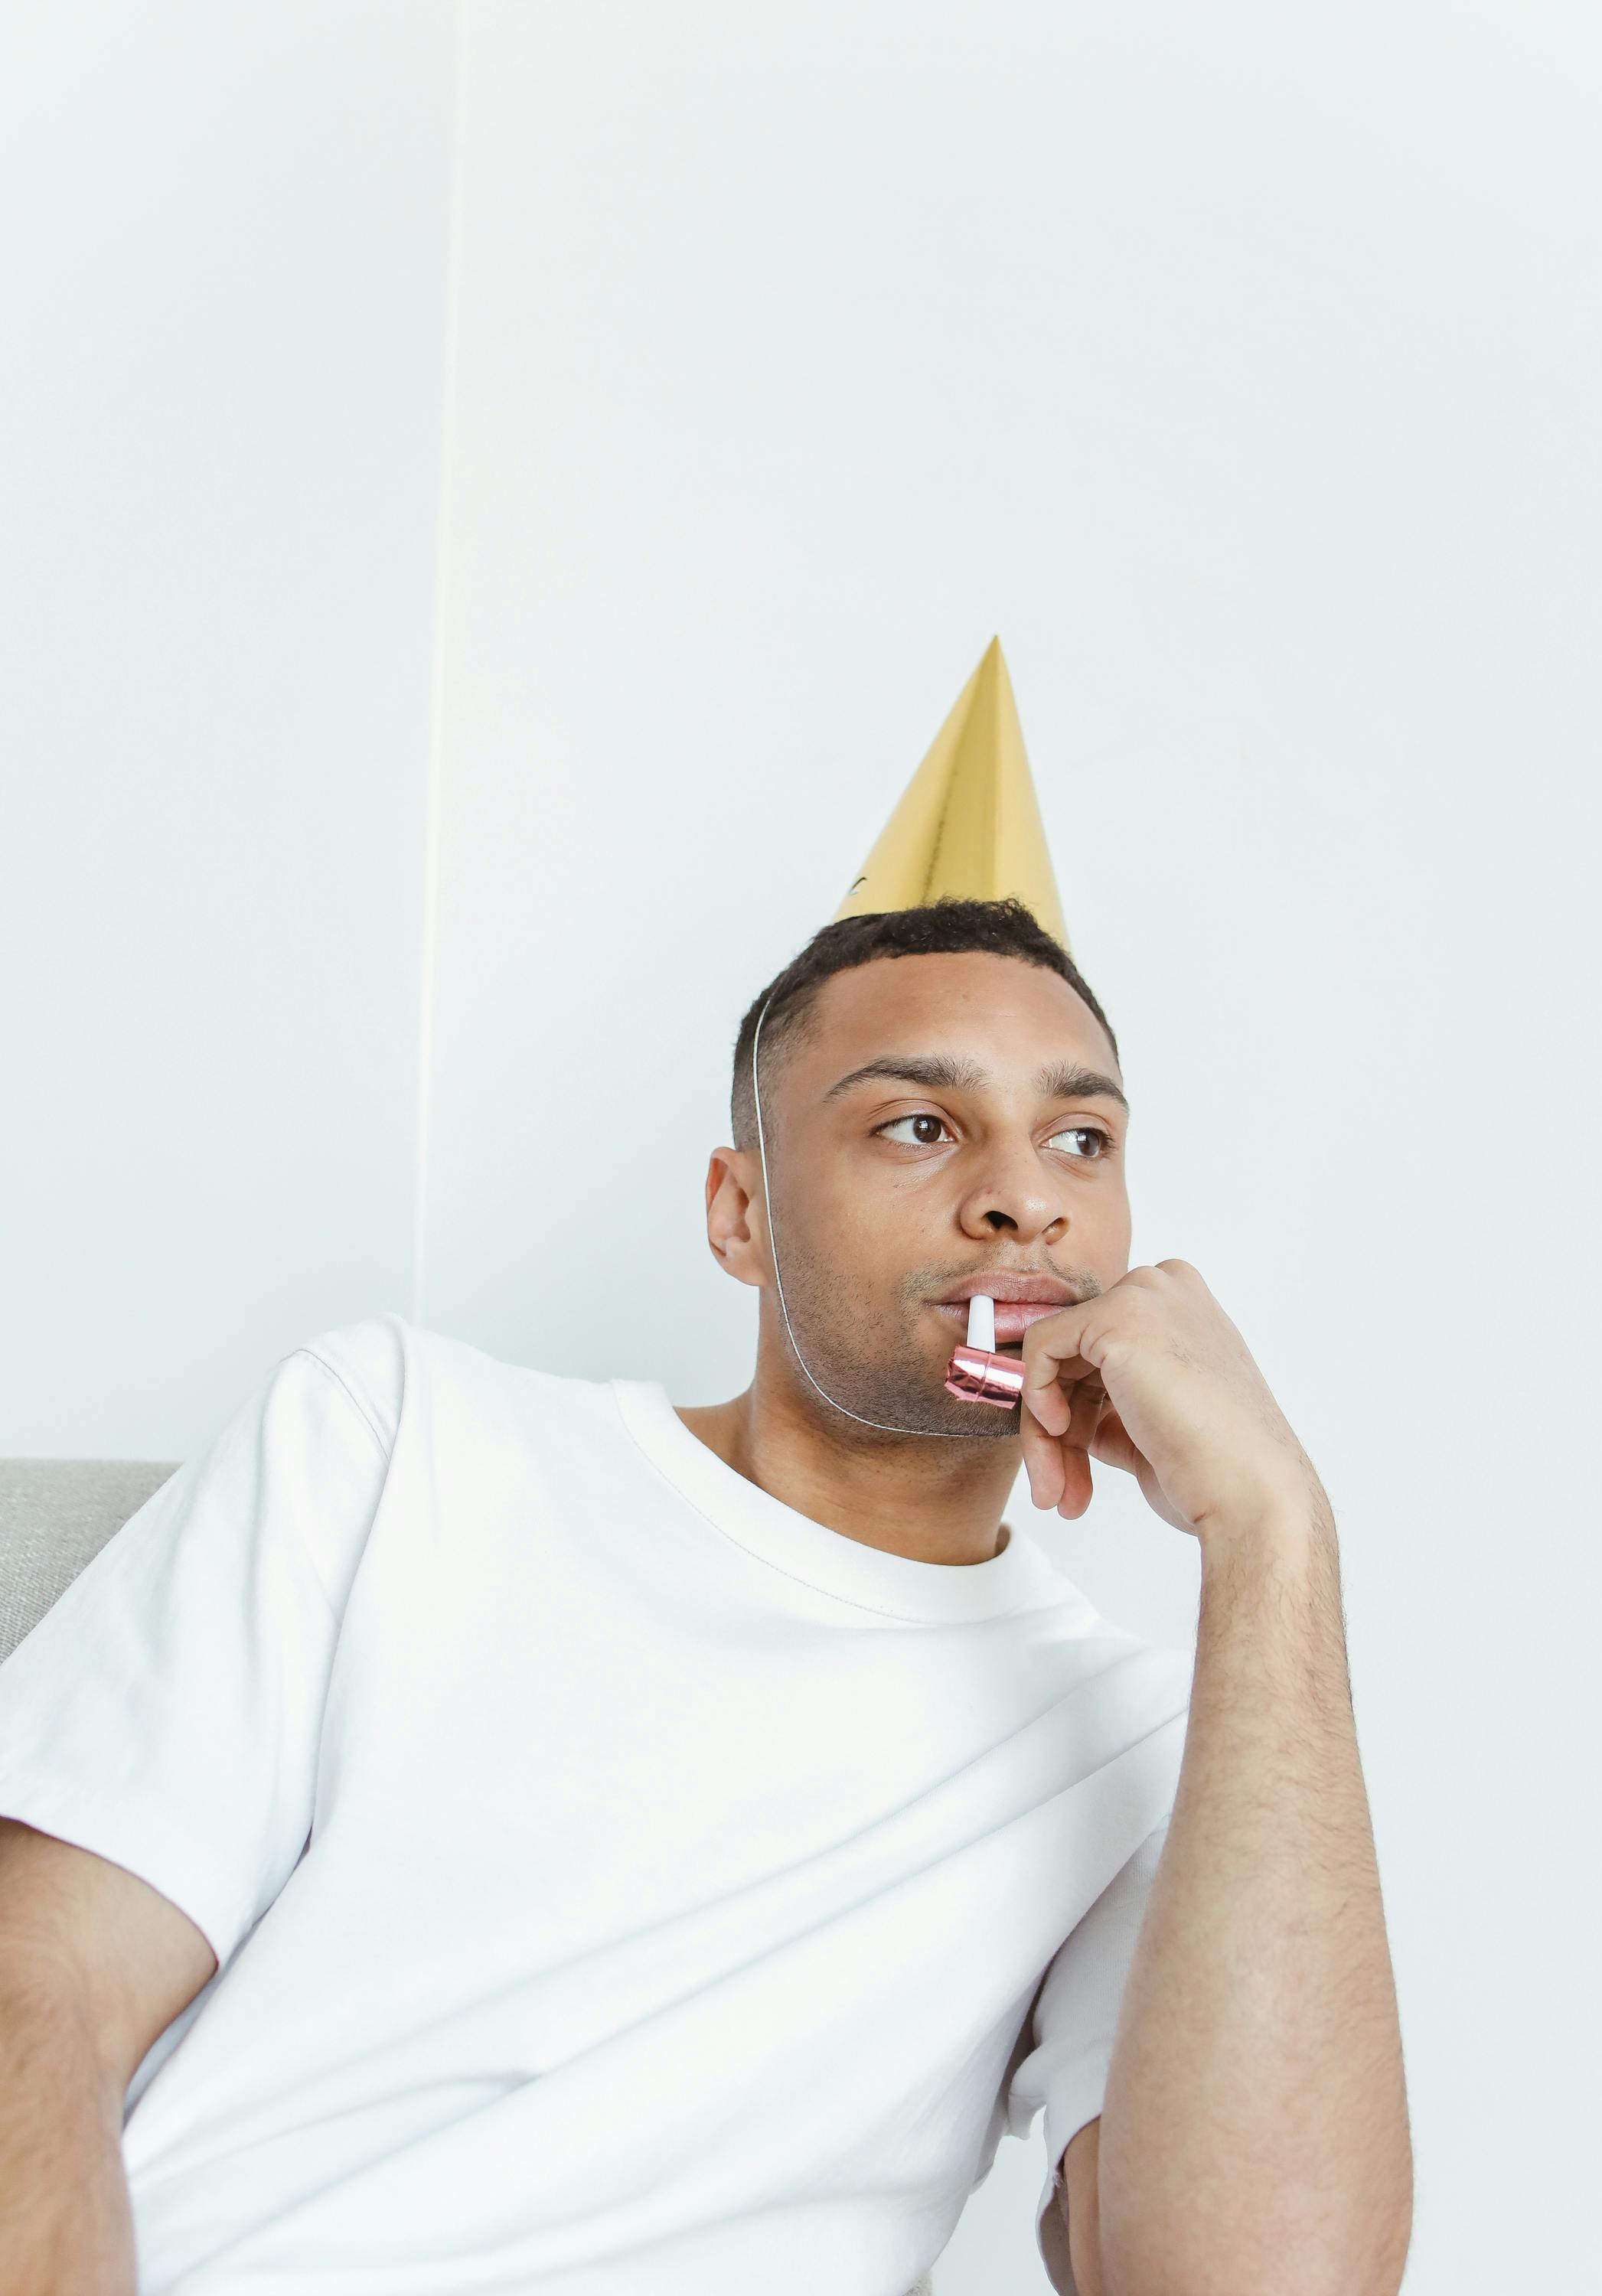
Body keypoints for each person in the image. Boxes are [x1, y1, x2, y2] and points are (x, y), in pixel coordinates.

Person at [0, 644, 1412, 2296]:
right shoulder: (395, 1440)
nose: (1025, 1198)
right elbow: (39, 1987)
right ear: (739, 1213)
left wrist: (1275, 1540)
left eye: (1080, 1139)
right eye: (916, 1125)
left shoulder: (1157, 1745)